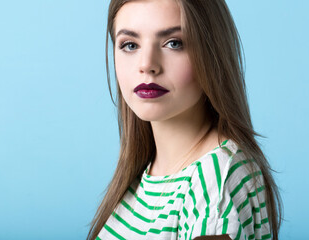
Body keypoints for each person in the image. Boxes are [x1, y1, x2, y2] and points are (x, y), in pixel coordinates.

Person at [87, 0, 282, 239]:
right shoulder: (143, 174)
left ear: (212, 53)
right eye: (130, 45)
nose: (147, 64)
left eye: (173, 43)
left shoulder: (216, 176)